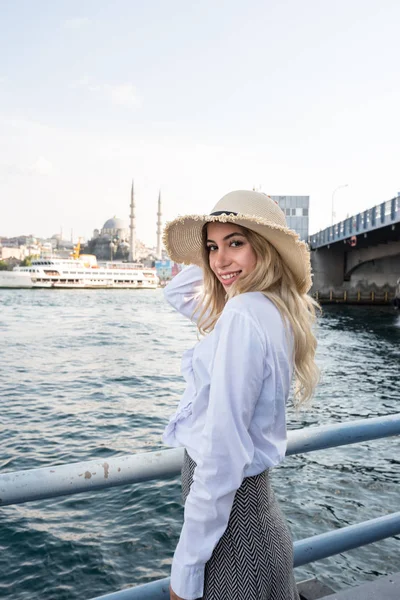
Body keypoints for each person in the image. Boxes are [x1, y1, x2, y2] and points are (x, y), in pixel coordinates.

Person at [162, 190, 319, 600]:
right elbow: (176, 295)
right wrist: (222, 263)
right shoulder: (271, 308)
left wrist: (186, 568)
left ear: (264, 250)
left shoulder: (243, 315)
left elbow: (222, 453)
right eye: (212, 246)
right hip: (256, 526)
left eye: (236, 242)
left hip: (233, 539)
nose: (218, 259)